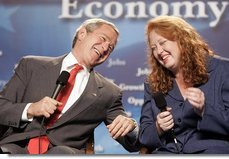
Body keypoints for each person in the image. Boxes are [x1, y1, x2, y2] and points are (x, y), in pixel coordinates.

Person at [0, 18, 139, 154]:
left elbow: (132, 144)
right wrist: (30, 109)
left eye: (110, 48)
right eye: (103, 39)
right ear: (82, 34)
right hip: (15, 149)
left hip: (62, 152)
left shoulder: (109, 92)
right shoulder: (31, 66)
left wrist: (130, 126)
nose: (104, 48)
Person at [139, 15, 229, 154]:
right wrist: (158, 128)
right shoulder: (152, 84)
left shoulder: (226, 69)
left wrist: (205, 110)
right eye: (154, 47)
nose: (159, 51)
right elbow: (143, 135)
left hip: (215, 151)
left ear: (182, 39)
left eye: (163, 42)